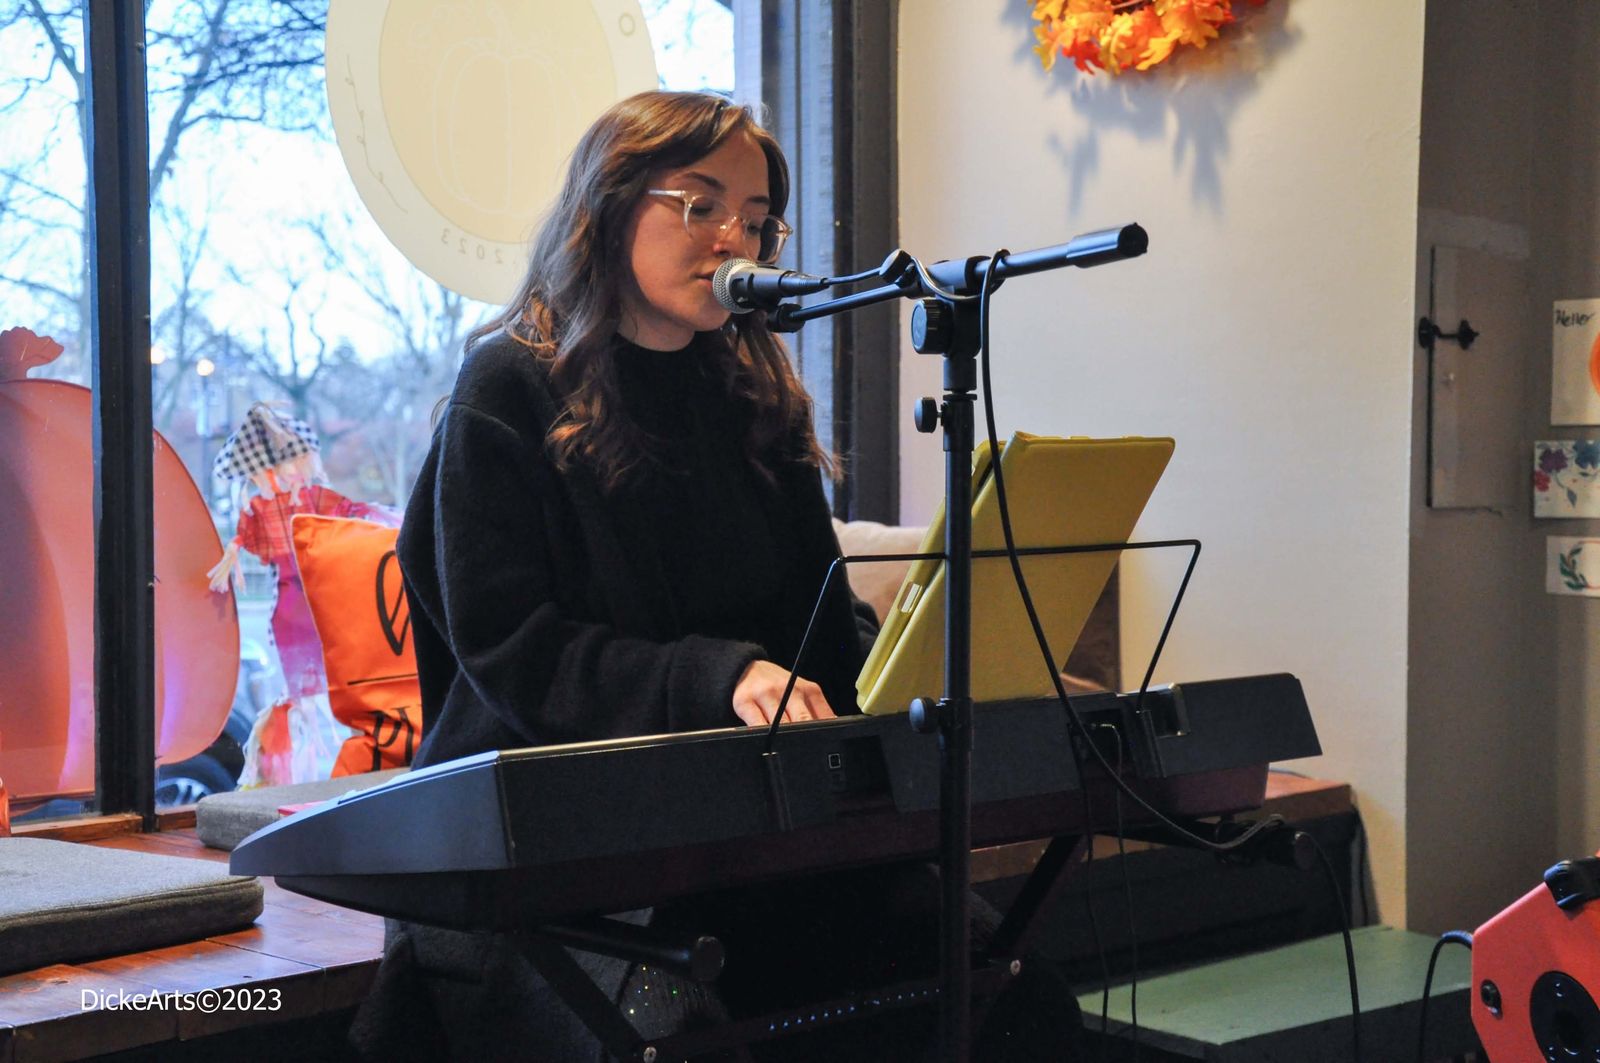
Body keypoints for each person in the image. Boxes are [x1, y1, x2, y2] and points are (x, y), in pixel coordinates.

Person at [351, 90, 1082, 1062]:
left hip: (742, 843)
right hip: (557, 862)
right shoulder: (506, 390)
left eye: (755, 217)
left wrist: (917, 663)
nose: (734, 237)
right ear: (608, 208)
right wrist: (720, 675)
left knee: (1010, 996)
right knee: (680, 1031)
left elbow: (817, 623)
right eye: (700, 204)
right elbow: (516, 651)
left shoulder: (754, 401)